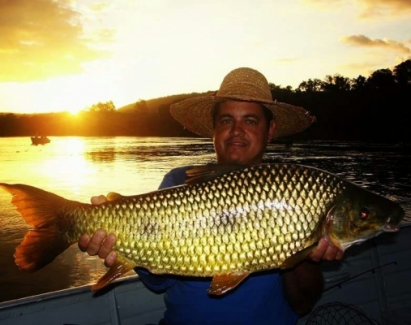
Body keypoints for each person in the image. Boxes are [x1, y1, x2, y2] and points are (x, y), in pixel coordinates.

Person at [79, 67, 344, 324]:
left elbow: (303, 304)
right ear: (214, 130)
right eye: (226, 120)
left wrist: (304, 255)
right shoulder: (179, 182)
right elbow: (158, 283)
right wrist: (122, 247)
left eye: (250, 120)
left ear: (270, 130)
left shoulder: (296, 192)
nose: (236, 130)